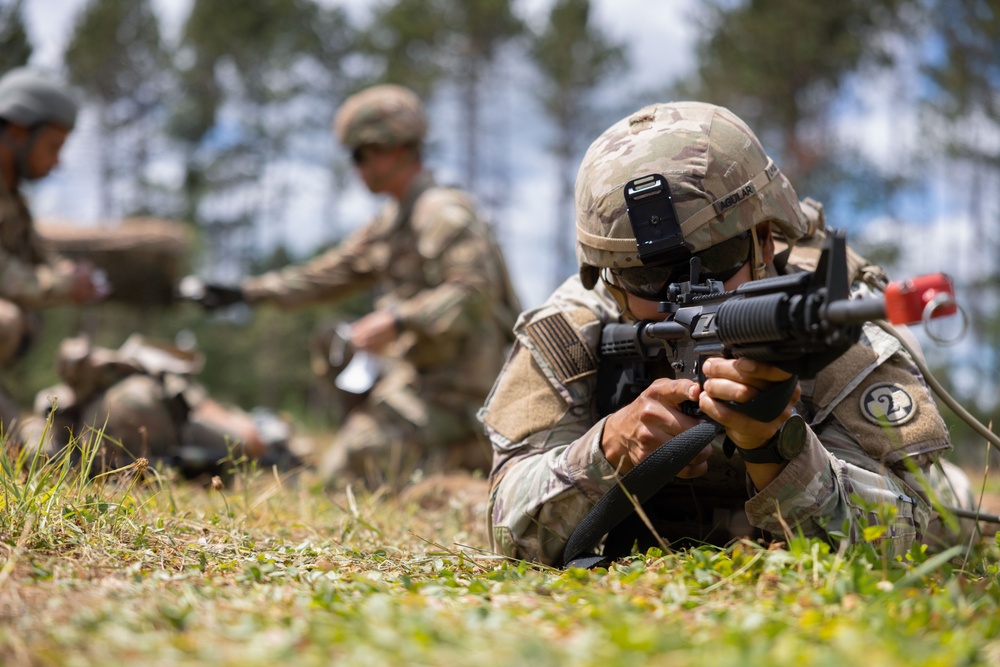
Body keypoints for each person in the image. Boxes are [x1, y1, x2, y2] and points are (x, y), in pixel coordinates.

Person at [480, 101, 976, 566]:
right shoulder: (574, 330)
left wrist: (775, 448)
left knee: (956, 510)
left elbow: (898, 534)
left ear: (764, 239)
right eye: (646, 278)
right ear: (611, 279)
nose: (682, 291)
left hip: (901, 492)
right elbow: (507, 528)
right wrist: (609, 447)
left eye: (715, 260)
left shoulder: (833, 330)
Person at [197, 84, 521, 487]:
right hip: (421, 383)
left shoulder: (442, 214)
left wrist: (396, 319)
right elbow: (325, 275)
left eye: (360, 155)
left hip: (463, 395)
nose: (356, 168)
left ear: (396, 148)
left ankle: (472, 455)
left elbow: (473, 293)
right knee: (330, 344)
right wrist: (245, 292)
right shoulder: (390, 223)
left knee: (347, 469)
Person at [0, 67, 105, 433]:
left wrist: (72, 275)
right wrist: (63, 285)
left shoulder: (13, 201)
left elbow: (40, 253)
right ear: (17, 128)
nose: (57, 162)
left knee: (30, 446)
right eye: (53, 147)